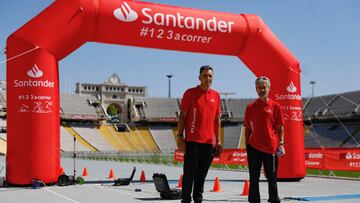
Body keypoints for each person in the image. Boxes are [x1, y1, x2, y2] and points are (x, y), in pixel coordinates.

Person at [177, 65, 222, 203]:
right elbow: (183, 117)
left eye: (210, 76)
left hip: (208, 143)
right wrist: (180, 136)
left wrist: (218, 141)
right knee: (189, 174)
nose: (208, 78)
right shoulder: (190, 93)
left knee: (201, 175)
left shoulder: (216, 95)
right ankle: (185, 200)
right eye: (205, 75)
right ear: (199, 77)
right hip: (192, 141)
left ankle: (198, 199)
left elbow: (217, 120)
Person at [244, 76, 285, 203]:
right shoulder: (250, 107)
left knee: (272, 177)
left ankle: (274, 199)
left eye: (264, 87)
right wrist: (247, 143)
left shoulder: (276, 107)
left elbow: (280, 127)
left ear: (269, 88)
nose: (261, 90)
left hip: (270, 148)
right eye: (259, 87)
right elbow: (247, 128)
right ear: (256, 89)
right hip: (254, 147)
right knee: (254, 177)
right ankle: (254, 200)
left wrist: (282, 143)